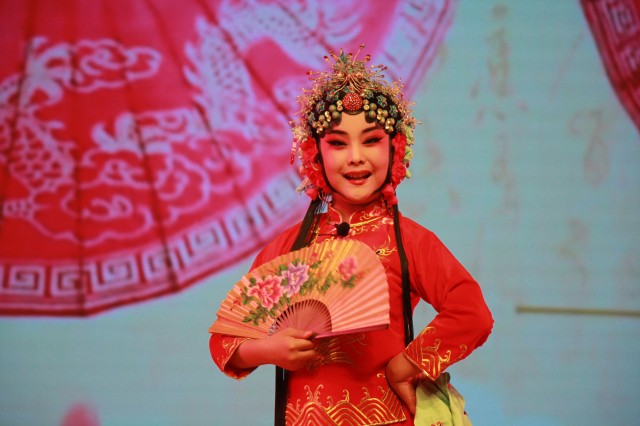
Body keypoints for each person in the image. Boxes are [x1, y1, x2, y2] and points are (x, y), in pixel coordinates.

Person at [209, 46, 493, 425]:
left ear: (395, 148)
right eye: (338, 143)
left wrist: (407, 365)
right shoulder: (289, 248)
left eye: (371, 140)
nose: (355, 156)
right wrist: (268, 350)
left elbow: (472, 313)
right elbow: (225, 340)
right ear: (314, 154)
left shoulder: (408, 241)